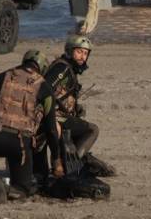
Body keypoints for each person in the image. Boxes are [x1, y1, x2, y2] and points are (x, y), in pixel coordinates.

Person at [0, 50, 64, 204]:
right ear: (42, 68)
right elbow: (51, 130)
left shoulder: (1, 77)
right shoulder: (45, 87)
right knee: (23, 189)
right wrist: (56, 160)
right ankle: (9, 190)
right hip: (20, 146)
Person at [46, 36, 115, 177]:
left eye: (85, 53)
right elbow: (45, 90)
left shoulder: (68, 68)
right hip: (53, 117)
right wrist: (53, 116)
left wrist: (75, 107)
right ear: (70, 51)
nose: (82, 57)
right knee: (92, 130)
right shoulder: (63, 69)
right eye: (79, 52)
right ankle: (71, 166)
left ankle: (75, 162)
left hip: (57, 115)